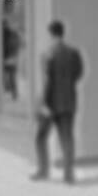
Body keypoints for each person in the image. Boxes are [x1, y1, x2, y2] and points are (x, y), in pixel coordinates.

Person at [31, 20, 84, 184]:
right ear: (63, 33)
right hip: (68, 101)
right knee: (67, 138)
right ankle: (69, 175)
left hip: (50, 103)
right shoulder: (74, 53)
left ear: (50, 34)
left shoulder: (47, 54)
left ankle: (43, 170)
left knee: (40, 137)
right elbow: (79, 74)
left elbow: (46, 82)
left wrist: (41, 105)